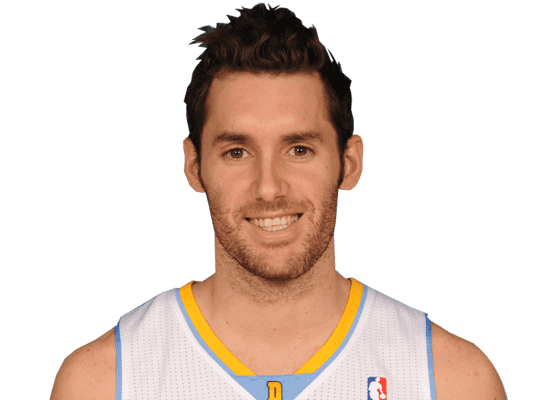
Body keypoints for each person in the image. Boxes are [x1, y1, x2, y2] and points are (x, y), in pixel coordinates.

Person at [50, 3, 507, 399]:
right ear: (194, 167)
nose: (269, 188)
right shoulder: (103, 383)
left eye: (299, 150)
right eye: (237, 152)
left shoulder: (449, 381)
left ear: (349, 163)